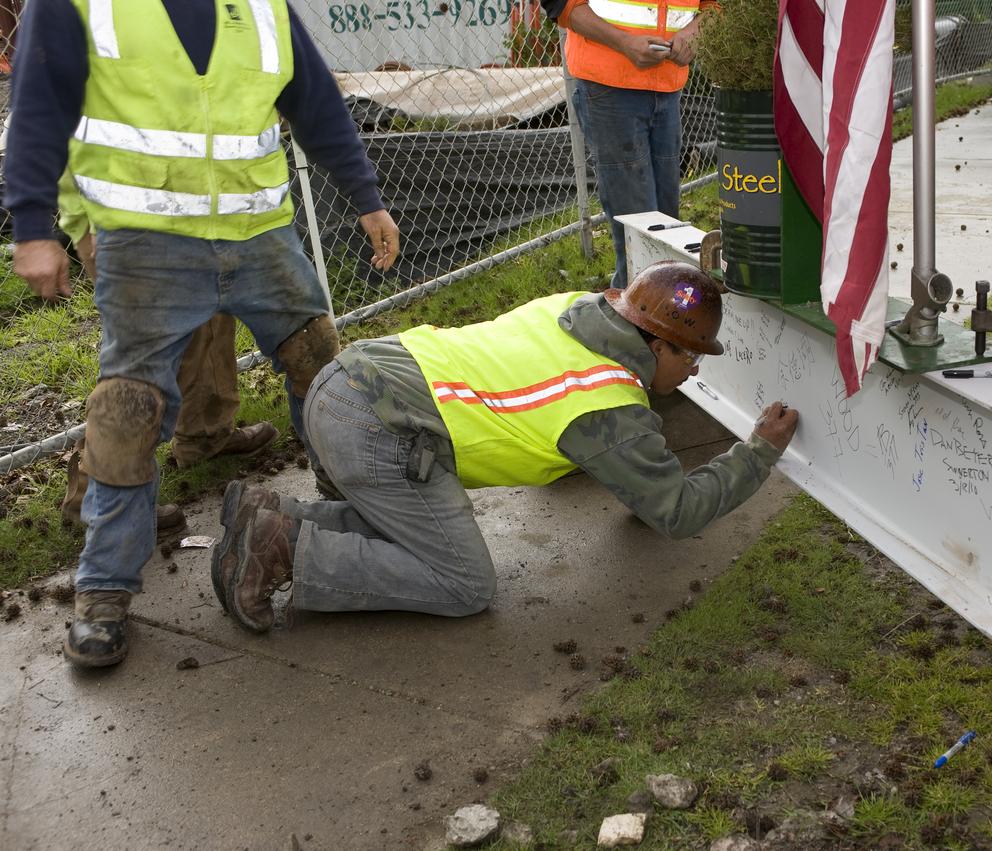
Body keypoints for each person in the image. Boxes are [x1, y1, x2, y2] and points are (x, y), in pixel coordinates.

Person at [4, 0, 400, 668]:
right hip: (147, 244)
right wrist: (35, 222)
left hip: (260, 237)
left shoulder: (262, 5)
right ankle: (103, 593)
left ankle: (359, 516)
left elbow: (316, 101)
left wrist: (366, 196)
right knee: (129, 410)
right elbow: (41, 104)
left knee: (321, 367)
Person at [211, 261, 799, 632]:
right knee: (463, 583)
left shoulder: (576, 310)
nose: (694, 370)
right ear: (657, 346)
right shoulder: (611, 408)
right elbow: (676, 511)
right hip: (378, 429)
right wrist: (757, 453)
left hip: (347, 380)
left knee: (420, 530)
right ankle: (288, 553)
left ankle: (272, 517)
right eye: (692, 355)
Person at [56, 173, 280, 530]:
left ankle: (204, 435)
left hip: (196, 198)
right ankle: (97, 496)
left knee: (210, 316)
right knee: (143, 357)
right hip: (132, 209)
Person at [555, 0, 713, 289]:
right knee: (639, 228)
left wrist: (694, 33)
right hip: (609, 84)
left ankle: (657, 313)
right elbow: (563, 5)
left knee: (665, 224)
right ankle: (637, 317)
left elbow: (715, 6)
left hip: (668, 85)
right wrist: (625, 43)